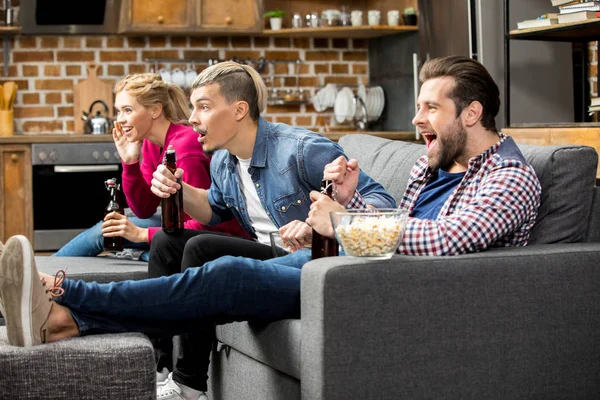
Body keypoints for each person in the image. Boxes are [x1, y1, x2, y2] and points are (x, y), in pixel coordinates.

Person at [0, 56, 541, 400]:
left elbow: (450, 242)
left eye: (430, 108)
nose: (418, 119)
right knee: (210, 270)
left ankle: (66, 301)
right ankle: (65, 317)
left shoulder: (510, 177)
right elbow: (395, 221)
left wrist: (345, 219)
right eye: (419, 107)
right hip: (364, 267)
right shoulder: (435, 164)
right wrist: (341, 211)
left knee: (227, 273)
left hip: (393, 286)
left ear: (471, 114)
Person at [146, 60, 394, 398]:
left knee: (200, 249)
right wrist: (180, 189)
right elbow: (214, 210)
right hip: (267, 254)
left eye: (203, 106)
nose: (192, 118)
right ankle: (161, 367)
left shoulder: (300, 149)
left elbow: (381, 202)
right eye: (193, 107)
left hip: (301, 260)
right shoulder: (223, 160)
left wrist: (314, 223)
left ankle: (190, 383)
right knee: (165, 241)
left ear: (239, 110)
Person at [53, 73, 248, 262]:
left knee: (103, 233)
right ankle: (141, 256)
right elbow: (144, 209)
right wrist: (130, 162)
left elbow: (209, 222)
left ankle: (42, 275)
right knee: (112, 227)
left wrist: (142, 235)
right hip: (181, 226)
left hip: (220, 237)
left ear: (155, 110)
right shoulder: (152, 143)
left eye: (128, 110)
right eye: (118, 111)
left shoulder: (184, 148)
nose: (120, 119)